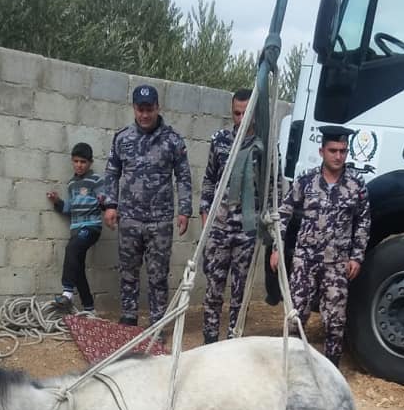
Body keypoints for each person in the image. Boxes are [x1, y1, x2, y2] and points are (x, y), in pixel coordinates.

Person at [270, 126, 371, 367]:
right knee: (295, 316)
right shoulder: (306, 180)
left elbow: (363, 222)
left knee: (335, 322)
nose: (338, 156)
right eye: (333, 150)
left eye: (343, 151)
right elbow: (283, 214)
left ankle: (331, 372)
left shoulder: (356, 186)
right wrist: (277, 247)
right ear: (322, 151)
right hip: (305, 261)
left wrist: (356, 257)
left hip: (337, 265)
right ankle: (291, 369)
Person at [103, 84, 192, 330]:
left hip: (160, 221)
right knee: (128, 272)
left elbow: (183, 177)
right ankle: (129, 319)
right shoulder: (122, 138)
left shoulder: (173, 140)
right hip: (129, 218)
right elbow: (111, 173)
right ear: (134, 109)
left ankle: (156, 324)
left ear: (157, 108)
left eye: (149, 109)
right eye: (140, 109)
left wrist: (184, 210)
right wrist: (110, 205)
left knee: (157, 276)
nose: (145, 115)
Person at [200, 88, 264, 344]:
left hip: (247, 231)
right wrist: (205, 214)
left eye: (245, 113)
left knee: (240, 296)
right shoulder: (220, 141)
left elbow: (274, 188)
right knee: (213, 291)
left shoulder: (264, 146)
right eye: (236, 113)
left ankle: (233, 345)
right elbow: (208, 179)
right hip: (219, 228)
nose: (240, 119)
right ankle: (209, 343)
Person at [46, 142, 103, 316]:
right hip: (76, 229)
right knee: (76, 266)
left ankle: (67, 292)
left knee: (71, 249)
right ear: (72, 161)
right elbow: (68, 209)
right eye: (76, 161)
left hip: (91, 227)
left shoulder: (96, 180)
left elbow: (106, 199)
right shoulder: (71, 184)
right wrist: (57, 202)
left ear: (90, 163)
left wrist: (105, 202)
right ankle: (89, 308)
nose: (79, 165)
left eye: (83, 162)